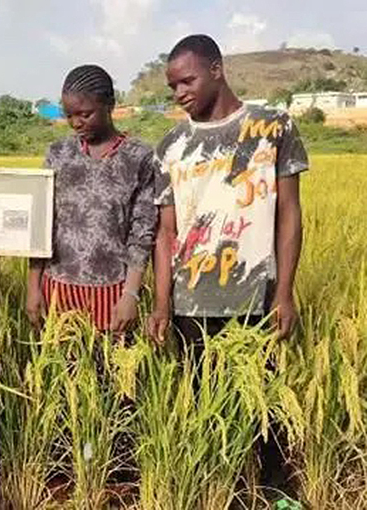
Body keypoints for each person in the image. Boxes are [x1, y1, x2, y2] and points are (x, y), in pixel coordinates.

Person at [146, 34, 308, 495]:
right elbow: (166, 233)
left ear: (217, 70)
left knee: (266, 405)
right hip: (192, 302)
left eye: (187, 81)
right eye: (172, 86)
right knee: (207, 407)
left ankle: (277, 493)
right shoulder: (171, 145)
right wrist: (161, 305)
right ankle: (227, 494)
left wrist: (283, 291)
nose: (179, 94)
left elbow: (289, 213)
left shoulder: (272, 127)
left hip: (256, 297)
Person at [26, 64, 156, 334]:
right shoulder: (59, 154)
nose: (76, 123)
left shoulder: (138, 157)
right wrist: (33, 288)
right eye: (69, 115)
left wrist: (130, 295)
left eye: (85, 114)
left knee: (112, 372)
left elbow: (142, 233)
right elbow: (41, 225)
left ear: (110, 104)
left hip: (114, 292)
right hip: (57, 290)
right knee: (63, 372)